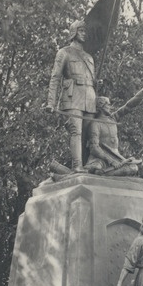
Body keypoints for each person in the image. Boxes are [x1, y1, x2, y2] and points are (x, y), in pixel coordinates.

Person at [44, 19, 97, 172]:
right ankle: (77, 166)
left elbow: (91, 80)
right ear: (74, 32)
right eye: (81, 31)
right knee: (76, 131)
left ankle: (88, 166)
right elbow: (55, 77)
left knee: (88, 134)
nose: (84, 34)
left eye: (85, 31)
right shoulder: (64, 52)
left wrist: (96, 83)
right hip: (72, 97)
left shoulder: (89, 57)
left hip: (89, 98)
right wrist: (51, 103)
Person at [83, 83, 143, 176]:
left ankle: (104, 174)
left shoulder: (113, 118)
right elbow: (94, 148)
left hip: (116, 159)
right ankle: (102, 172)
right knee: (97, 167)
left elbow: (128, 106)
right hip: (100, 160)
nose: (110, 107)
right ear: (101, 107)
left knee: (133, 168)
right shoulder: (95, 124)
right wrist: (110, 161)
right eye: (108, 105)